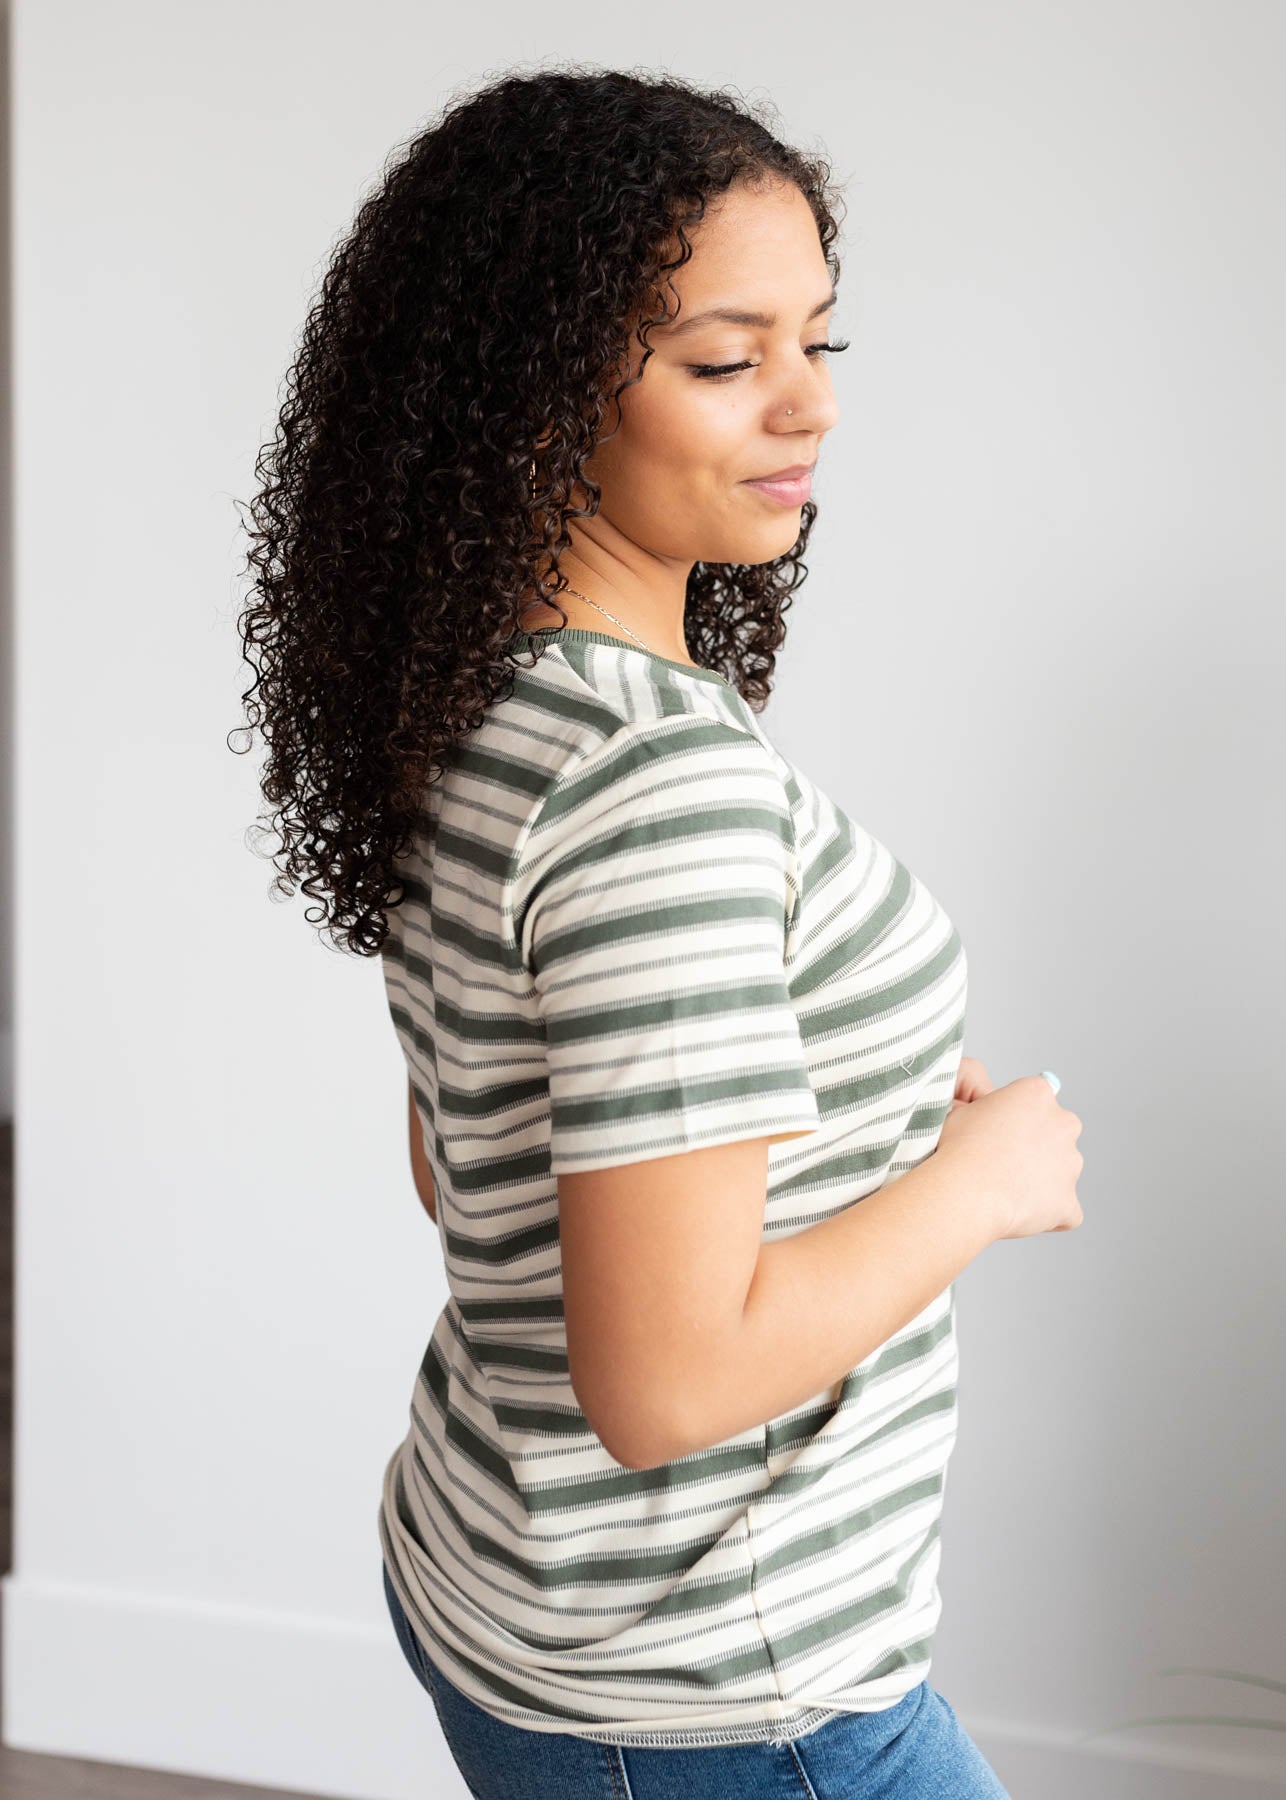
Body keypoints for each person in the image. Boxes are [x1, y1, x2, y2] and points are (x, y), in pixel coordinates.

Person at [237, 63, 1083, 1800]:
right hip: (724, 1688)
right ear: (535, 398)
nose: (807, 408)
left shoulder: (477, 701)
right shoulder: (654, 791)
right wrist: (976, 1186)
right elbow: (666, 1381)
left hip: (508, 1581)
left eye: (815, 343)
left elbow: (468, 1153)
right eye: (723, 358)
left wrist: (832, 1133)